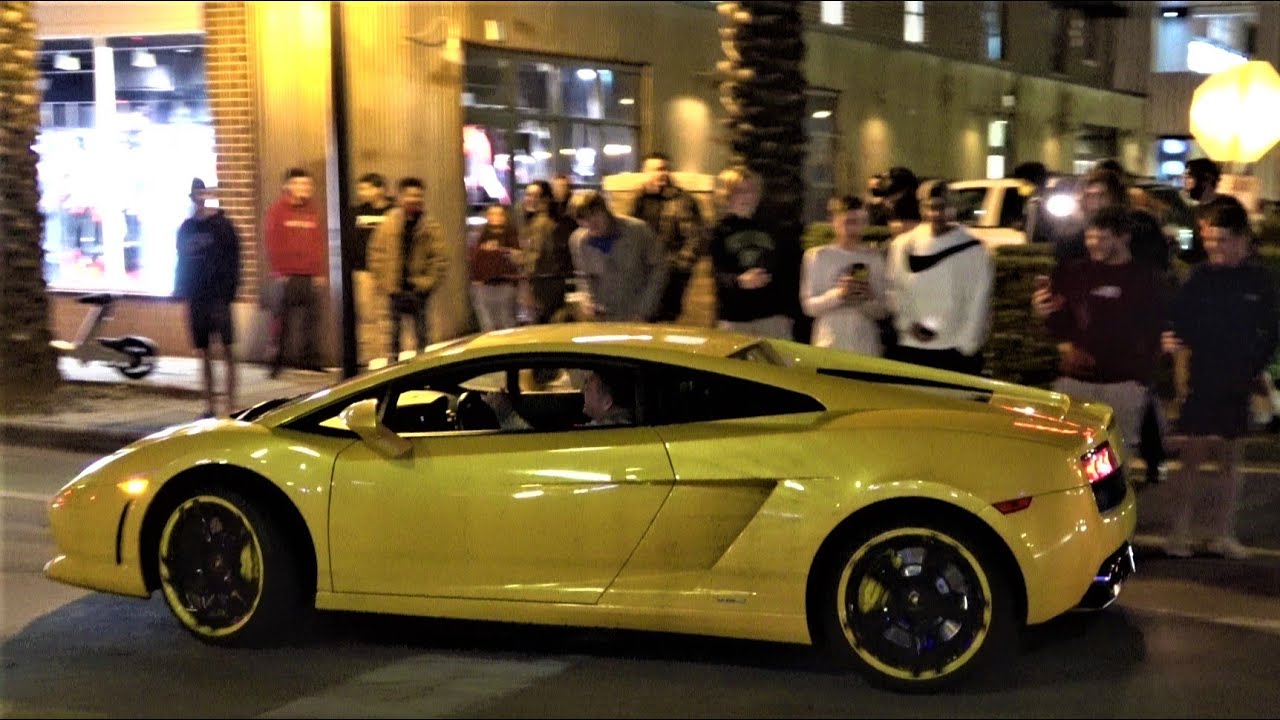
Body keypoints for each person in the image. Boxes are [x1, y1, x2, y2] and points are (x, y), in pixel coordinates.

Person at [1162, 196, 1278, 560]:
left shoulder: (1260, 280)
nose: (1214, 248)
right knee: (1191, 457)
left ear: (1243, 238)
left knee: (1231, 458)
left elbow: (1273, 331)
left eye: (1222, 240)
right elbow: (1176, 323)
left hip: (1239, 379)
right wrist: (1172, 342)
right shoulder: (1199, 277)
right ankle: (1178, 534)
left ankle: (1222, 534)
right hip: (1200, 378)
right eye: (1210, 241)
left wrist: (1257, 369)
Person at [1030, 205, 1169, 463]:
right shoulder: (1074, 273)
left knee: (1115, 458)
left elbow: (1155, 331)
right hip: (1076, 381)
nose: (1094, 244)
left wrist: (1140, 375)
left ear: (1123, 237)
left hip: (1123, 384)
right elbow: (1059, 326)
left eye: (1102, 237)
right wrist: (1044, 312)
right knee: (1069, 455)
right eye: (1089, 237)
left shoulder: (1147, 279)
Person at [884, 179, 994, 375]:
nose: (936, 214)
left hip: (956, 352)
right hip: (911, 348)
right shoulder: (902, 245)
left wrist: (966, 345)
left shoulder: (975, 249)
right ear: (921, 208)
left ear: (954, 207)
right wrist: (908, 325)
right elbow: (895, 289)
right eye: (930, 207)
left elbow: (980, 300)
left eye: (943, 207)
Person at [175, 178, 241, 418]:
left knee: (227, 351)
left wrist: (230, 291)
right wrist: (180, 291)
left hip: (219, 297)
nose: (200, 200)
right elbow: (181, 260)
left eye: (203, 194)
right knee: (203, 352)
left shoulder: (222, 226)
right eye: (196, 195)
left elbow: (234, 259)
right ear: (192, 198)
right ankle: (210, 405)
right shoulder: (186, 228)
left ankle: (232, 405)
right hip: (197, 298)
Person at [708, 165, 793, 339]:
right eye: (740, 191)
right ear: (727, 194)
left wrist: (789, 313)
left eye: (751, 191)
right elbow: (717, 274)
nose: (747, 196)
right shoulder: (719, 230)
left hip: (772, 317)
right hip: (735, 319)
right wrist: (740, 281)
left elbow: (787, 269)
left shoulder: (772, 227)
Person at [368, 177, 447, 359]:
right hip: (395, 290)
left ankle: (421, 370)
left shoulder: (429, 225)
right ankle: (393, 370)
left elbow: (440, 259)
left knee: (422, 336)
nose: (413, 199)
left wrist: (426, 284)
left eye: (417, 195)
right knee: (392, 337)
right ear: (400, 197)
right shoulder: (389, 223)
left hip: (418, 291)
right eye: (409, 195)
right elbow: (376, 252)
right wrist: (382, 281)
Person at [800, 195, 889, 355]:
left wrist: (865, 298)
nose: (854, 229)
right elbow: (809, 306)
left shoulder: (874, 258)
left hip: (865, 346)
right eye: (848, 222)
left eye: (860, 222)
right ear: (834, 221)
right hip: (829, 344)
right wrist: (839, 294)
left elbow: (883, 311)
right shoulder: (817, 256)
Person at [630, 151, 707, 322]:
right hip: (643, 275)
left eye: (665, 169)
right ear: (645, 172)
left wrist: (679, 269)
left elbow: (695, 237)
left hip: (670, 276)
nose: (662, 173)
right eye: (656, 169)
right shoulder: (639, 200)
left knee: (665, 322)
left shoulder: (682, 200)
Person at [568, 190, 667, 322]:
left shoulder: (638, 231)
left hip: (636, 314)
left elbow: (659, 269)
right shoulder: (578, 240)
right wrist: (586, 298)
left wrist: (644, 310)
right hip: (601, 318)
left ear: (605, 210)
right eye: (583, 221)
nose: (590, 225)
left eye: (594, 217)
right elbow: (582, 275)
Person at [264, 167, 325, 377]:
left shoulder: (312, 210)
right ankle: (276, 363)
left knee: (311, 322)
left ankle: (309, 361)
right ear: (287, 186)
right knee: (282, 323)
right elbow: (273, 243)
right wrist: (281, 272)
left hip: (309, 275)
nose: (304, 188)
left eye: (307, 184)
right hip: (287, 277)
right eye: (299, 184)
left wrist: (319, 272)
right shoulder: (278, 210)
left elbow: (318, 243)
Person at [349, 172, 392, 361]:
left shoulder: (392, 212)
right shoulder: (355, 212)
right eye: (360, 188)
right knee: (365, 318)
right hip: (362, 273)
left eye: (366, 188)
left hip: (386, 273)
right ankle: (367, 358)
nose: (362, 192)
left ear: (380, 189)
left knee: (385, 317)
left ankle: (384, 358)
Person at [521, 180, 573, 324]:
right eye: (527, 195)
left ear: (545, 200)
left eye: (535, 195)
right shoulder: (536, 222)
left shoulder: (541, 224)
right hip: (547, 284)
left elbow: (534, 258)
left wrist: (513, 257)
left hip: (543, 287)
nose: (529, 199)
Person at [469, 203, 521, 331]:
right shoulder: (480, 236)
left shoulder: (511, 236)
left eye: (499, 214)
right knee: (488, 324)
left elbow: (518, 258)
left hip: (505, 285)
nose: (495, 217)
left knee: (506, 321)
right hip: (484, 286)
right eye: (492, 214)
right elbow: (475, 259)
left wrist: (502, 251)